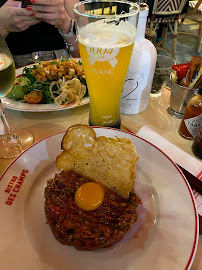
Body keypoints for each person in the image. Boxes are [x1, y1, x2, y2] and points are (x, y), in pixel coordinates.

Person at [0, 0, 79, 67]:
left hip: (65, 77)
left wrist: (66, 24)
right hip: (10, 79)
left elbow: (86, 56)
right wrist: (2, 26)